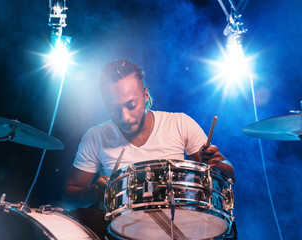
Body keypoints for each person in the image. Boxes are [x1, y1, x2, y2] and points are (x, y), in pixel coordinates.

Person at [63, 59, 236, 239]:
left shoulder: (179, 123)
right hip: (126, 232)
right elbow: (68, 196)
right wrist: (94, 192)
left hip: (182, 226)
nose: (125, 117)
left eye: (131, 105)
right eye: (113, 108)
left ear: (146, 95)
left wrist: (215, 163)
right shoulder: (96, 137)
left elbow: (230, 177)